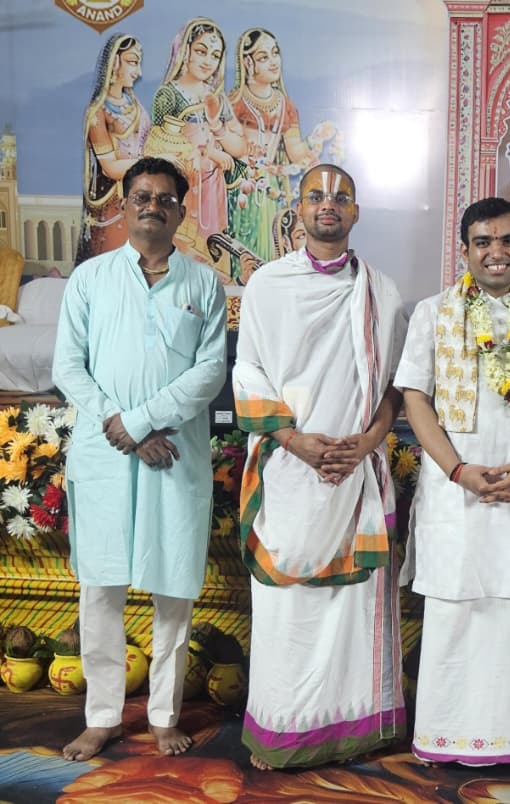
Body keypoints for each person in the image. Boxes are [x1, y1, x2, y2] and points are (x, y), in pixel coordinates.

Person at [396, 197, 510, 769]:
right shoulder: (433, 313)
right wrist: (458, 470)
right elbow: (415, 399)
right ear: (465, 250)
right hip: (455, 489)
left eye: (507, 241)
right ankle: (446, 734)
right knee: (457, 609)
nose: (496, 252)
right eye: (483, 242)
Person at [232, 163, 407, 770]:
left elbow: (395, 387)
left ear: (355, 212)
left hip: (355, 473)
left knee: (354, 612)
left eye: (340, 197)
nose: (328, 204)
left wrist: (365, 444)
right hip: (290, 471)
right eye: (316, 195)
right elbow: (248, 371)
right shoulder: (267, 285)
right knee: (287, 614)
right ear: (299, 209)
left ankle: (357, 727)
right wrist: (294, 440)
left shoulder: (382, 293)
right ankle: (283, 731)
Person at [54, 156, 228, 761]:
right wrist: (122, 425)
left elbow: (210, 371)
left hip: (172, 454)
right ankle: (101, 717)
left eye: (165, 199)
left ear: (181, 212)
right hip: (105, 456)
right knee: (101, 587)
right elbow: (68, 366)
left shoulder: (203, 284)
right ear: (124, 206)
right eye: (142, 197)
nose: (153, 206)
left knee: (172, 587)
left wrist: (141, 422)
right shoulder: (91, 279)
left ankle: (163, 715)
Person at [144, 17, 246, 270]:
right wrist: (208, 152)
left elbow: (238, 148)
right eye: (201, 51)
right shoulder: (168, 95)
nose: (208, 61)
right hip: (183, 186)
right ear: (184, 50)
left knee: (213, 253)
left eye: (215, 55)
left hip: (212, 187)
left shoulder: (217, 97)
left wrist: (216, 125)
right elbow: (157, 146)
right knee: (182, 254)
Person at [227, 28, 316, 282]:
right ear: (248, 62)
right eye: (263, 57)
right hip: (241, 189)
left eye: (275, 53)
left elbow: (295, 151)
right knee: (244, 249)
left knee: (272, 245)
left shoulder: (286, 105)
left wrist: (316, 149)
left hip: (273, 190)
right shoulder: (233, 102)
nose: (273, 61)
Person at [78, 34, 151, 264]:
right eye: (132, 62)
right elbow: (109, 167)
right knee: (115, 266)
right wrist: (151, 162)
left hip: (141, 195)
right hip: (112, 202)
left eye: (138, 63)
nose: (138, 72)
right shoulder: (97, 112)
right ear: (114, 62)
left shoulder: (134, 105)